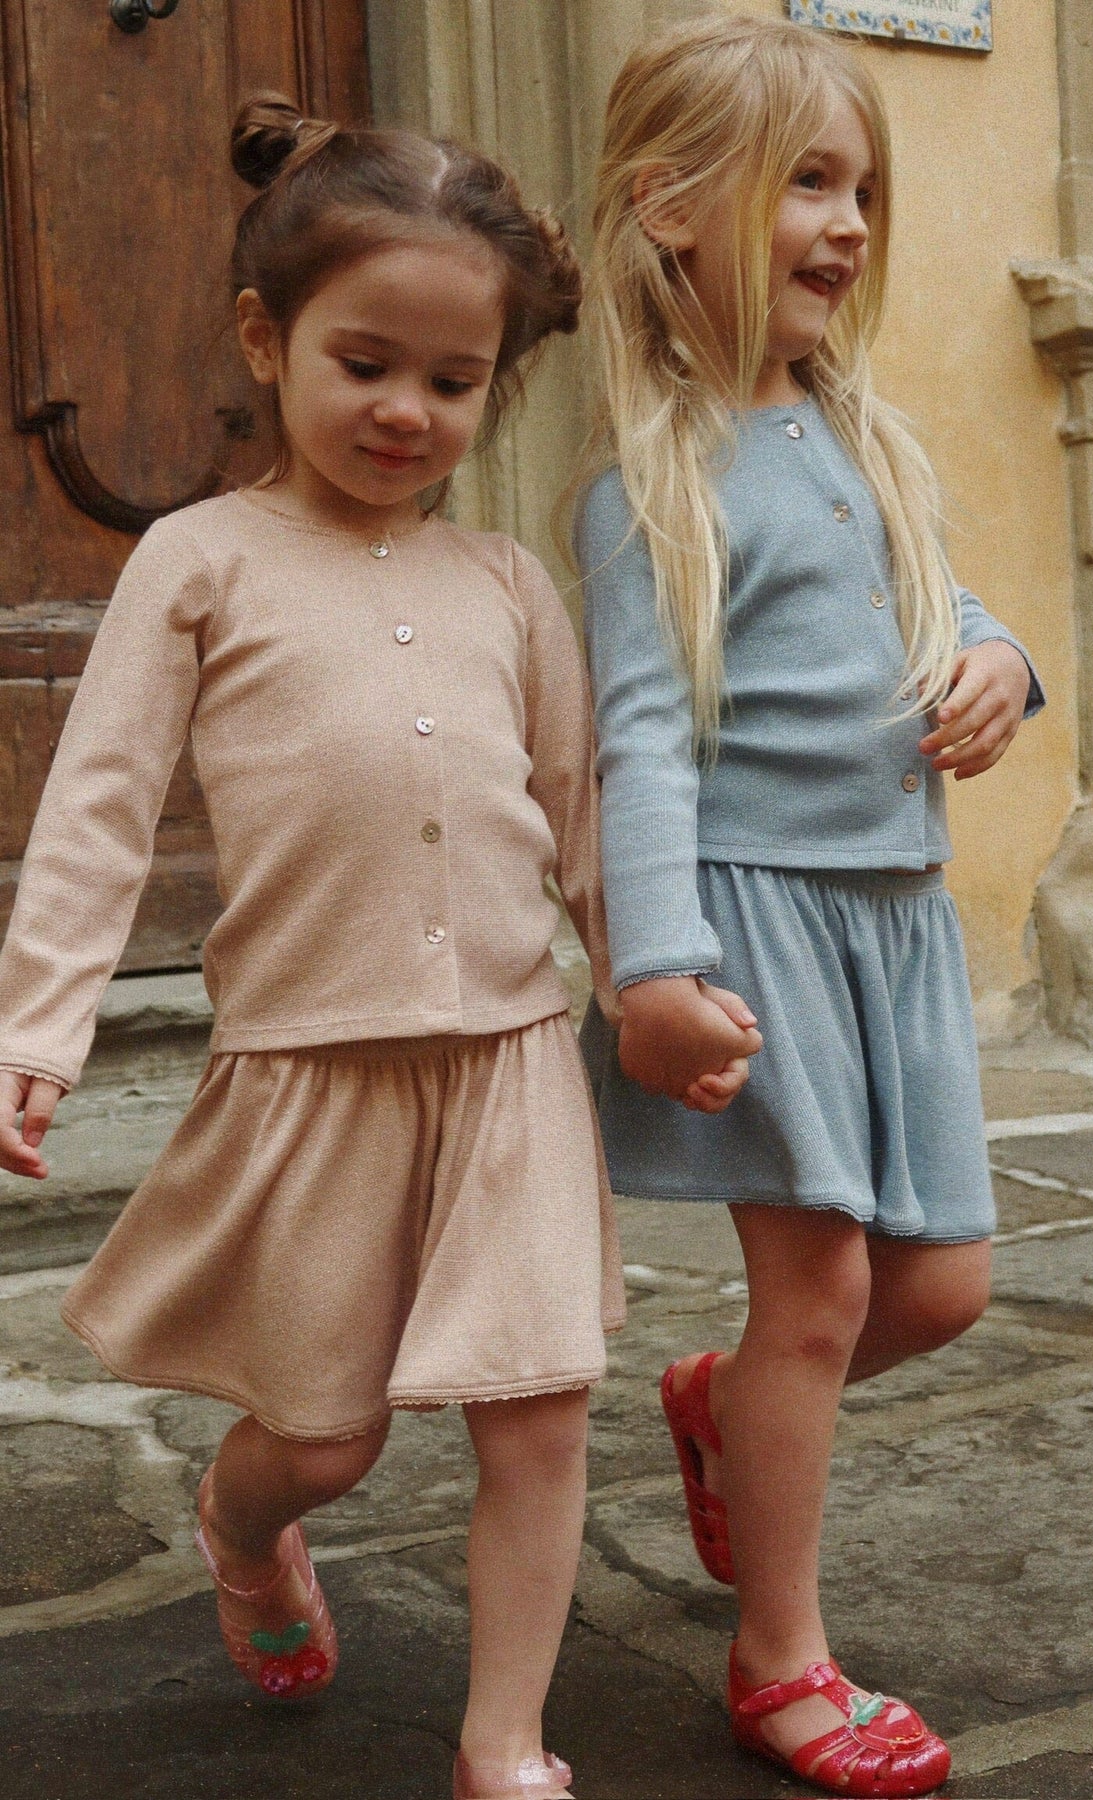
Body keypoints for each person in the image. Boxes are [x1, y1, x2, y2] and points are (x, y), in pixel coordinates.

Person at [0, 96, 626, 1800]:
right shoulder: (199, 561)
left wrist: (650, 983)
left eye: (455, 380)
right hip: (312, 1067)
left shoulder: (509, 583)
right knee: (325, 1439)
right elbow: (101, 803)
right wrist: (39, 1025)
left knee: (541, 1406)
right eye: (367, 363)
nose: (409, 410)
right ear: (265, 341)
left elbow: (581, 810)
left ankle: (504, 1743)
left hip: (510, 1059)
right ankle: (241, 1521)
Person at [575, 16, 1044, 1799]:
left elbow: (945, 603)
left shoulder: (869, 436)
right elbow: (643, 744)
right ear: (670, 207)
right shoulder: (650, 485)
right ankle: (780, 1655)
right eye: (808, 184)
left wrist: (1002, 662)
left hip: (898, 921)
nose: (848, 223)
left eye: (862, 190)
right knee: (824, 1294)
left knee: (946, 1288)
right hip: (760, 926)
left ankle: (719, 1406)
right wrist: (659, 968)